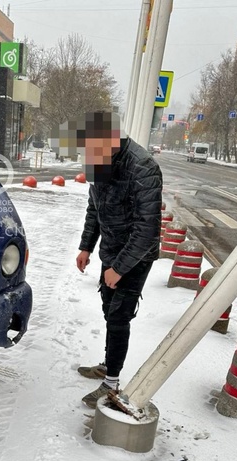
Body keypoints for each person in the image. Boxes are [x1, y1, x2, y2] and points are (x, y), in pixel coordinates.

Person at [75, 112, 163, 408]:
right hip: (111, 251)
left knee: (118, 315)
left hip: (136, 255)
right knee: (107, 308)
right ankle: (108, 362)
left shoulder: (143, 168)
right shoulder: (98, 159)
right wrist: (86, 246)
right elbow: (94, 208)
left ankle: (111, 384)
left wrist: (120, 268)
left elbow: (147, 229)